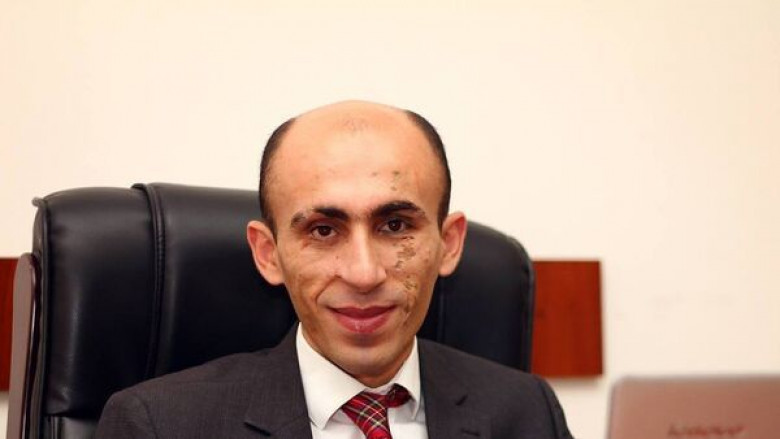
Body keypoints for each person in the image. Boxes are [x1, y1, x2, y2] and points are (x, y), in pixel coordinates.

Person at [95, 100, 573, 438]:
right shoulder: (157, 425)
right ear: (268, 254)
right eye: (323, 230)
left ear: (448, 244)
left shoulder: (527, 411)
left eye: (395, 225)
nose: (364, 274)